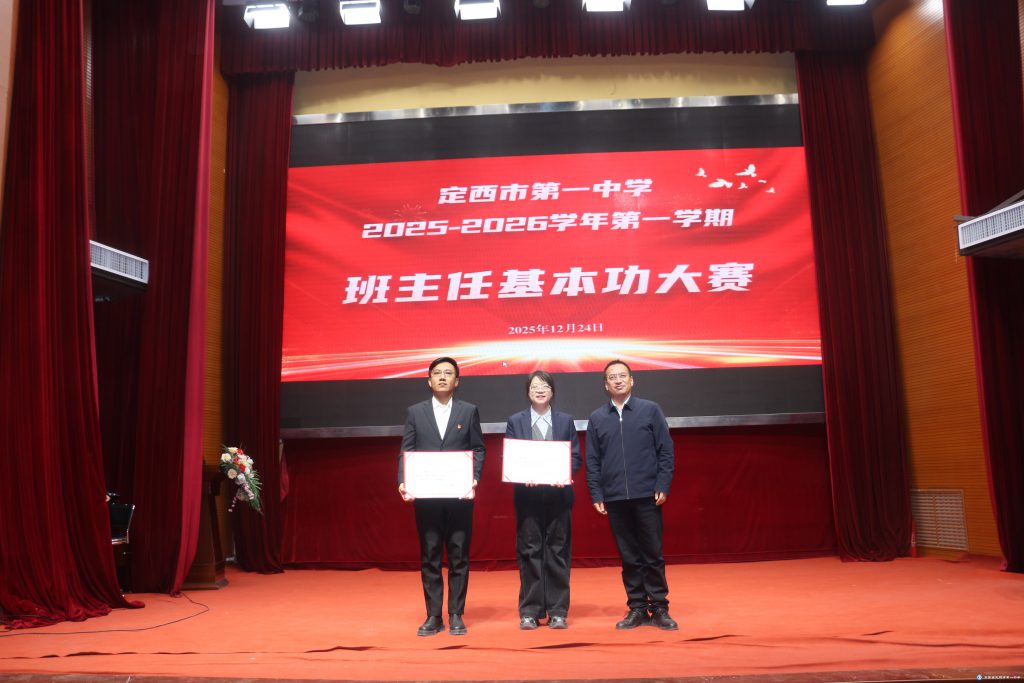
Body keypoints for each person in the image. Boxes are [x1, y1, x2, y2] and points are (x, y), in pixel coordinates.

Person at [585, 360, 678, 631]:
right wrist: (596, 492)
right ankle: (637, 607)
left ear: (631, 380)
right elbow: (593, 460)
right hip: (615, 497)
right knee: (629, 557)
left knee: (652, 554)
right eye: (612, 377)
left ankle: (659, 607)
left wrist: (663, 483)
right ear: (606, 385)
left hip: (648, 494)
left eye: (622, 376)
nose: (617, 380)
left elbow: (666, 451)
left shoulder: (650, 410)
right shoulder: (597, 418)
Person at [398, 357, 486, 637]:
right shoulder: (415, 412)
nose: (443, 377)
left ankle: (456, 614)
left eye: (448, 373)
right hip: (427, 496)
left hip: (459, 495)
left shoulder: (468, 411)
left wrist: (474, 476)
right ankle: (433, 615)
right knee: (430, 554)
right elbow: (407, 450)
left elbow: (478, 448)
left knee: (459, 554)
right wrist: (403, 481)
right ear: (429, 380)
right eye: (437, 373)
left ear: (457, 381)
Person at [505, 371, 582, 630]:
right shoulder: (516, 421)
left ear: (552, 391)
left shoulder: (565, 420)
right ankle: (530, 611)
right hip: (528, 498)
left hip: (559, 497)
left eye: (545, 385)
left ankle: (558, 610)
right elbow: (511, 456)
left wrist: (564, 474)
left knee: (558, 552)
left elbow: (575, 456)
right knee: (529, 552)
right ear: (528, 392)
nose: (540, 390)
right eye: (535, 386)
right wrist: (520, 475)